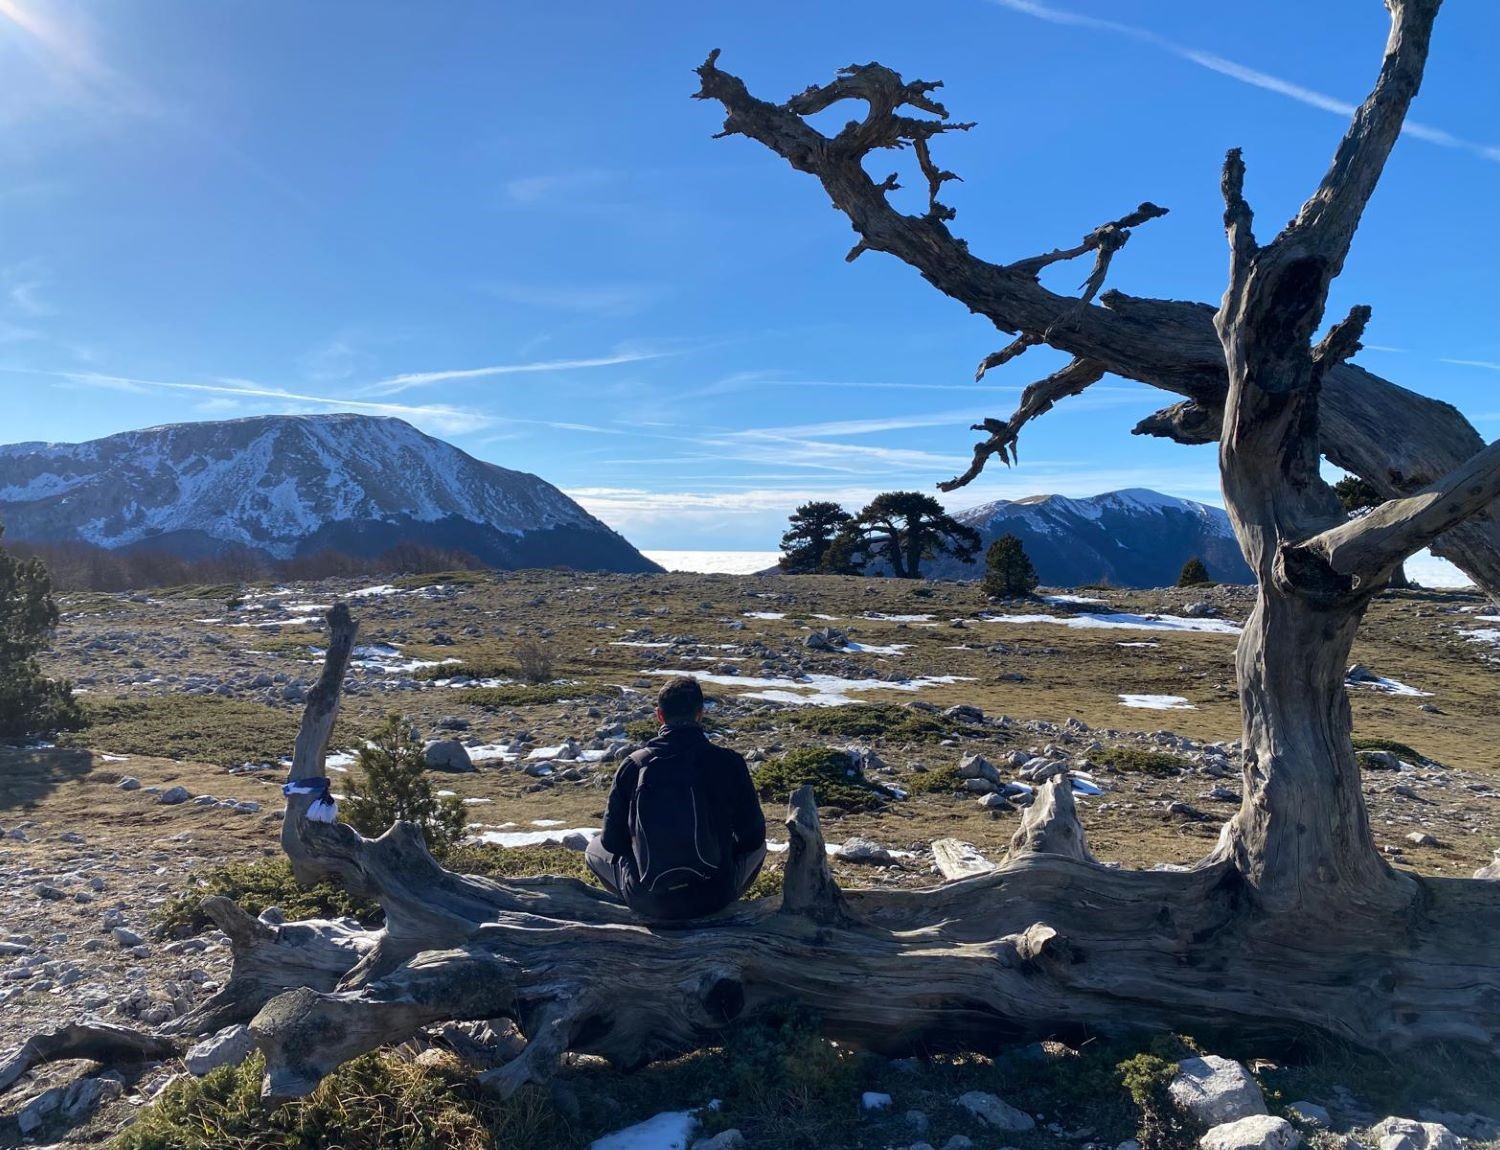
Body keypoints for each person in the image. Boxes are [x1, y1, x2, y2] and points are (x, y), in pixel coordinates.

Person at [585, 676, 766, 920]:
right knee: (761, 848)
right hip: (714, 897)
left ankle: (644, 910)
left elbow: (612, 842)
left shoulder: (634, 765)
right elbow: (753, 838)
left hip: (649, 900)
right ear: (700, 714)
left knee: (592, 849)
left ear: (659, 716)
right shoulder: (729, 762)